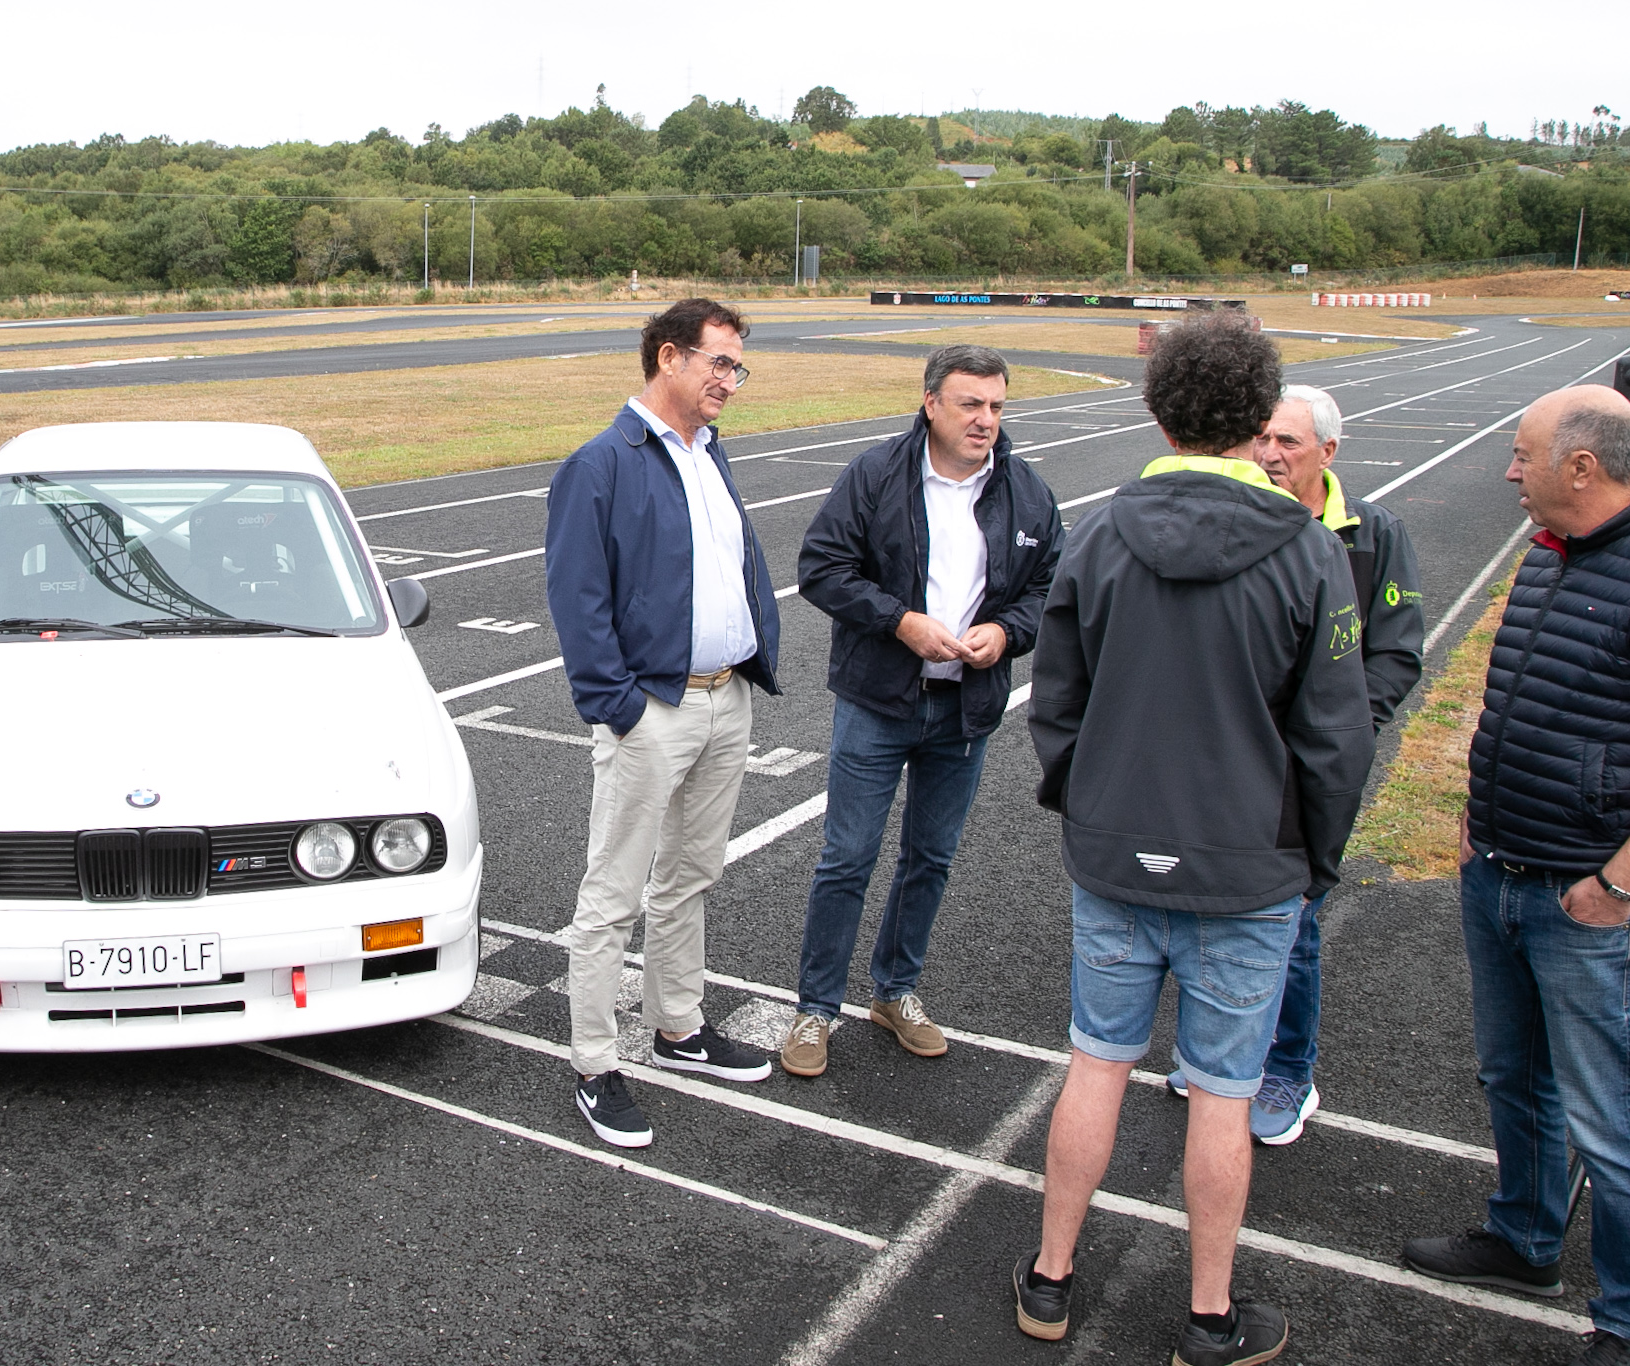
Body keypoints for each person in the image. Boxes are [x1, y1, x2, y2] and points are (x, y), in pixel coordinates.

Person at [1015, 313, 1374, 1358]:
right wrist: (1312, 861)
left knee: (1095, 1065)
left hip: (1115, 856)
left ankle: (1049, 1280)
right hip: (1247, 870)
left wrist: (1089, 808)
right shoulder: (1309, 552)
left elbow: (1056, 702)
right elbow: (1335, 738)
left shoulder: (1097, 534)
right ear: (1258, 420)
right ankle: (1209, 1316)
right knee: (1223, 1094)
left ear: (1157, 410)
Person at [1401, 385, 1630, 1366]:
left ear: (1581, 467)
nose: (1509, 471)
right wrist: (1474, 821)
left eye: (1523, 455)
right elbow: (1515, 698)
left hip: (1587, 902)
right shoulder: (1549, 552)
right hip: (1501, 870)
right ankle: (1523, 1239)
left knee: (1608, 1116)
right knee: (1512, 1077)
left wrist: (1617, 887)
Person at [779, 344, 1063, 1077]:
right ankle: (816, 1007)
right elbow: (822, 568)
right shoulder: (876, 474)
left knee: (930, 859)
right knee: (848, 857)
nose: (986, 419)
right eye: (970, 404)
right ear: (931, 403)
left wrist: (1007, 632)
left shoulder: (1028, 492)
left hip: (965, 709)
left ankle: (895, 991)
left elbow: (1048, 590)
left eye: (996, 405)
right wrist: (900, 622)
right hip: (878, 701)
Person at [543, 297, 783, 1150]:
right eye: (719, 362)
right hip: (652, 708)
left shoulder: (711, 452)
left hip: (726, 698)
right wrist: (619, 706)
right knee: (613, 893)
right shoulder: (601, 463)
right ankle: (594, 1063)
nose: (730, 381)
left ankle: (679, 1028)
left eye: (738, 367)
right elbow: (578, 598)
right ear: (669, 357)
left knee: (691, 875)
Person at [1163, 383, 1426, 1144]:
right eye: (1263, 439)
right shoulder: (1242, 521)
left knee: (1294, 918)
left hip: (1311, 768)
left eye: (1288, 442)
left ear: (1328, 453)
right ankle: (1216, 1053)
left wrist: (1341, 730)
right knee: (1210, 906)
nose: (1271, 454)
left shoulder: (1373, 534)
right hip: (1228, 761)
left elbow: (1395, 652)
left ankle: (1286, 1069)